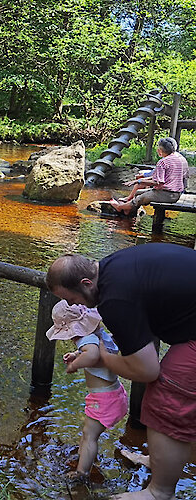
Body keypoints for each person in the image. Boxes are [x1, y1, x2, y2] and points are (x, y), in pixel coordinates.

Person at [46, 243, 196, 500]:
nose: (74, 305)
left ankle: (159, 492)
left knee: (168, 397)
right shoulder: (113, 265)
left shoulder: (113, 299)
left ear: (85, 283)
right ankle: (163, 459)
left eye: (72, 299)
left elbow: (148, 369)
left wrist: (103, 357)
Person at [46, 300, 128, 481]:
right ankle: (86, 457)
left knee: (90, 436)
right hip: (114, 394)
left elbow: (92, 355)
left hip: (104, 400)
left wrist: (74, 365)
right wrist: (76, 354)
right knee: (87, 434)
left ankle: (81, 473)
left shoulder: (86, 339)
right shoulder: (99, 335)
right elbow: (93, 352)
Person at [110, 137, 188, 215]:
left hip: (166, 194)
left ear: (160, 150)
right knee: (137, 192)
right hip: (176, 195)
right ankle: (128, 211)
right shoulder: (178, 160)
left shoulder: (162, 162)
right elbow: (162, 177)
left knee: (140, 198)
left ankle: (119, 207)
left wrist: (139, 181)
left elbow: (157, 182)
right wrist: (139, 181)